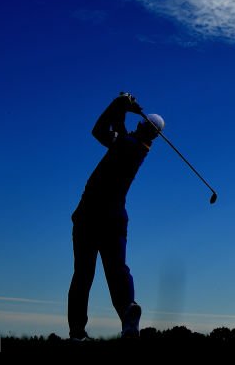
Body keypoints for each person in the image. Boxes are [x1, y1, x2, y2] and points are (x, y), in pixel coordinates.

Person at [68, 92, 164, 340]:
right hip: (115, 218)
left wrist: (119, 104)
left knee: (83, 275)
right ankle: (128, 312)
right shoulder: (136, 147)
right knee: (117, 270)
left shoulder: (128, 145)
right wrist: (122, 106)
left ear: (143, 127)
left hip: (91, 215)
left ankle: (78, 333)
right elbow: (112, 130)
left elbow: (99, 129)